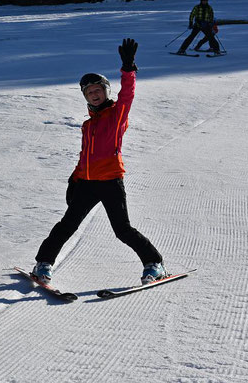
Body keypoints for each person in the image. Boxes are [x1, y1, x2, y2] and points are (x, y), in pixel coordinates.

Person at [32, 38, 167, 286]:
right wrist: (74, 177)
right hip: (85, 182)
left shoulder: (116, 115)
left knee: (122, 229)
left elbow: (128, 93)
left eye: (98, 91)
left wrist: (128, 69)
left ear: (106, 92)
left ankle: (154, 263)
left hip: (110, 182)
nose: (94, 95)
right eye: (89, 92)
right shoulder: (88, 124)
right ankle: (43, 263)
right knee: (67, 225)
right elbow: (85, 156)